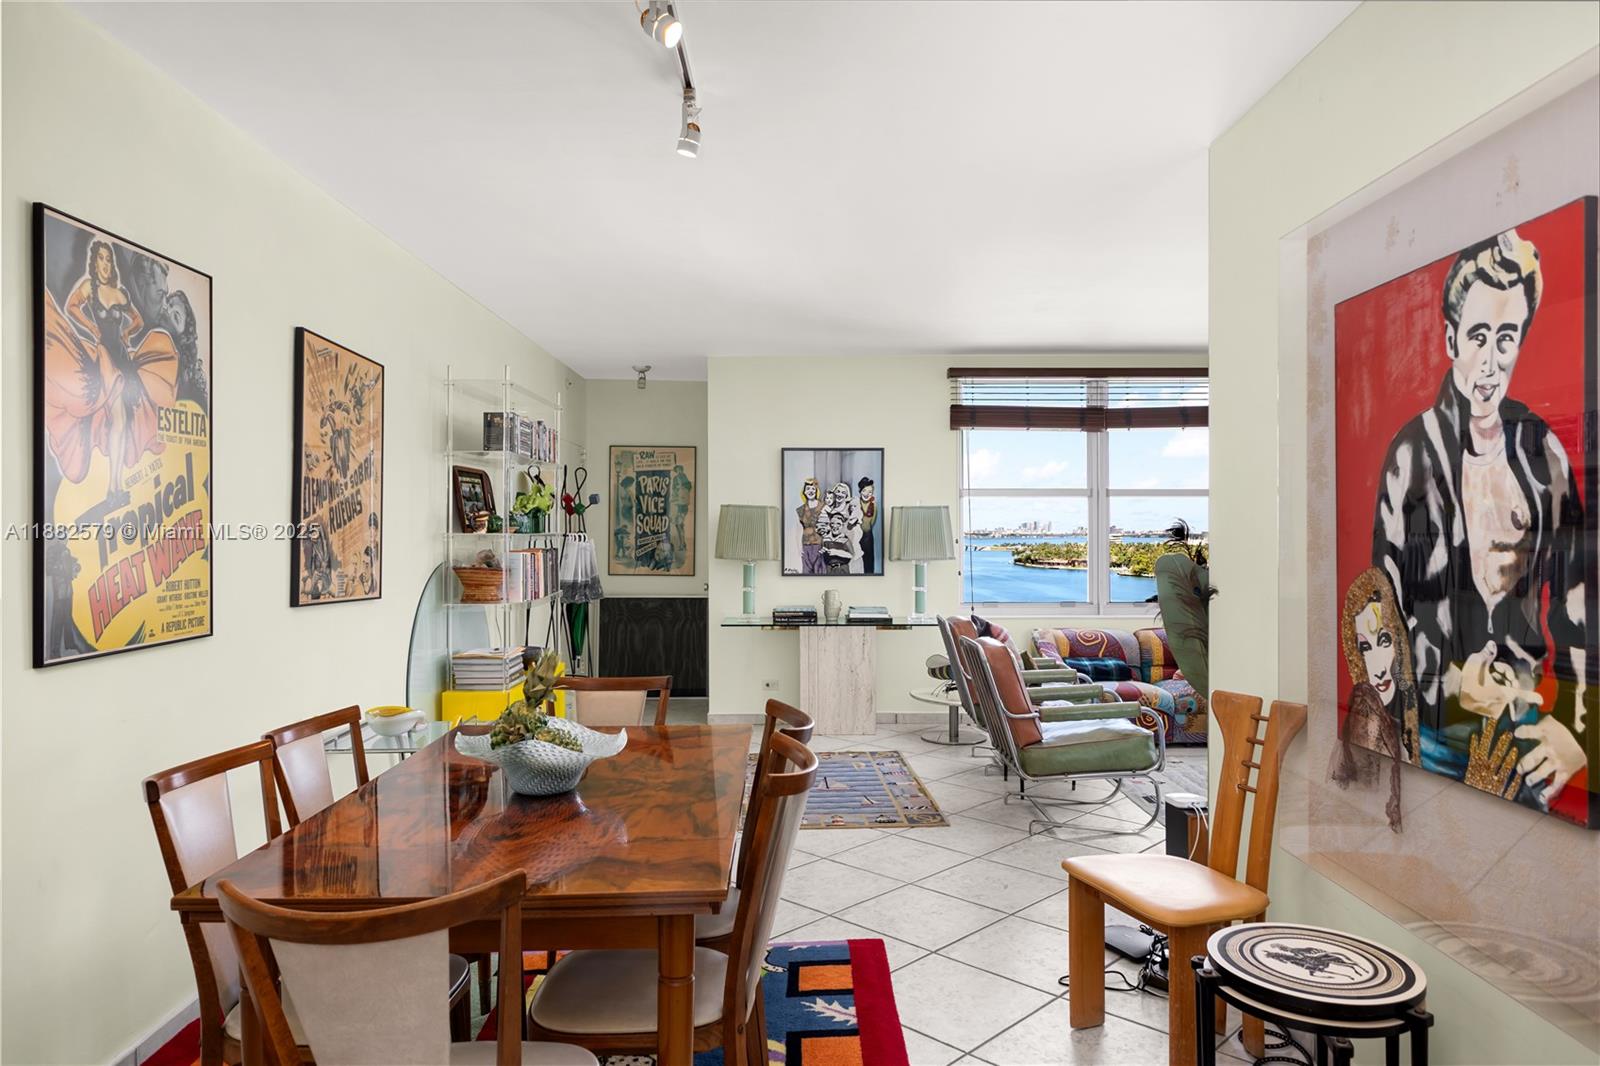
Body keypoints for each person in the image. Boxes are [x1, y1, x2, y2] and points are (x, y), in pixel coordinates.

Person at [1370, 227, 1588, 812]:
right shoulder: (1411, 456)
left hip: (1525, 737)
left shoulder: (1543, 453)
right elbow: (1380, 614)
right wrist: (1447, 682)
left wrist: (1579, 730)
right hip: (1432, 737)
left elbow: (1580, 601)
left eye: (1507, 338)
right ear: (1451, 338)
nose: (1490, 363)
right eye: (1478, 336)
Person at [46, 239, 178, 502]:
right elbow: (72, 306)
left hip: (122, 356)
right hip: (105, 357)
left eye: (108, 259)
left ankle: (115, 486)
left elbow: (137, 320)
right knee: (118, 418)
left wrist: (127, 332)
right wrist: (91, 327)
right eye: (101, 258)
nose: (105, 264)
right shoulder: (89, 287)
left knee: (124, 420)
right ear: (94, 262)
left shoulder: (120, 293)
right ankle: (113, 488)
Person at [1330, 568, 1418, 832]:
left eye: (1384, 641)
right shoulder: (1366, 720)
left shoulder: (1415, 725)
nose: (1378, 669)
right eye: (1365, 648)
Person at [795, 477, 825, 575]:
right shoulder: (801, 510)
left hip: (820, 545)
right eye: (808, 489)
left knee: (820, 572)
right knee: (807, 573)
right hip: (806, 546)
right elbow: (798, 530)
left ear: (816, 491)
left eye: (813, 489)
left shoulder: (823, 506)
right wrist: (799, 548)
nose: (810, 491)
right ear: (804, 491)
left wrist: (825, 545)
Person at [857, 476, 878, 575]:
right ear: (860, 491)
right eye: (864, 491)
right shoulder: (856, 503)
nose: (867, 494)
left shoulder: (874, 505)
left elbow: (872, 521)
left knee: (868, 560)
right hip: (857, 534)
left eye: (870, 492)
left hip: (868, 535)